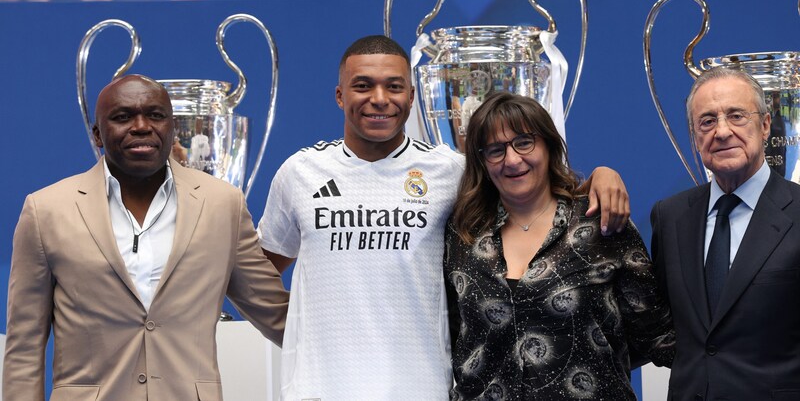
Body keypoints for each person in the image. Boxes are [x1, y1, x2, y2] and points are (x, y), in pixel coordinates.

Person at [257, 35, 631, 400]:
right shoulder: (300, 173)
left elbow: (533, 196)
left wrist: (600, 176)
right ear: (340, 95)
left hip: (421, 388)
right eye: (362, 86)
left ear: (412, 97)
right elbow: (259, 271)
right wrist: (296, 332)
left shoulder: (452, 172)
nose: (379, 99)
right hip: (320, 388)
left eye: (394, 86)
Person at [3, 74, 289, 400]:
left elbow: (276, 313)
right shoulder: (46, 210)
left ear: (172, 127)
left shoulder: (223, 203)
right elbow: (25, 344)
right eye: (123, 117)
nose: (141, 126)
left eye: (155, 115)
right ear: (97, 133)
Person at [444, 91, 674, 400]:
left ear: (549, 146)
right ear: (482, 162)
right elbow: (450, 339)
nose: (512, 160)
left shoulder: (598, 223)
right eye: (495, 150)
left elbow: (656, 336)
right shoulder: (463, 236)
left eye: (524, 142)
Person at [651, 66, 800, 400]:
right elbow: (659, 326)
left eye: (736, 116)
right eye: (707, 121)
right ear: (694, 136)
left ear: (765, 126)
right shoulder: (670, 216)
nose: (721, 132)